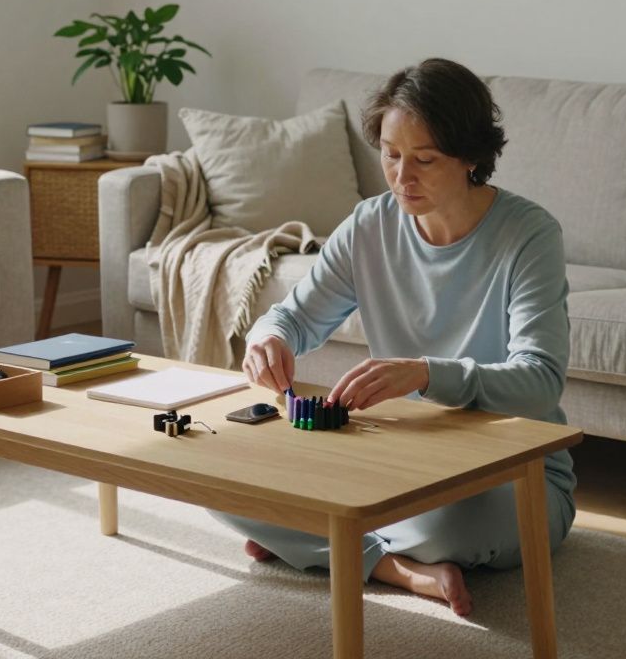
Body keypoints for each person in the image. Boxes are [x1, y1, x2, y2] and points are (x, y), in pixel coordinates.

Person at [210, 58, 576, 617]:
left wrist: (427, 374)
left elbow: (541, 382)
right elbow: (294, 318)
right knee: (215, 469)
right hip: (390, 462)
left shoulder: (529, 235)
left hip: (509, 476)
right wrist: (267, 338)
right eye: (390, 154)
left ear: (472, 156)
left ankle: (319, 540)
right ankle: (394, 567)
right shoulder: (369, 224)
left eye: (425, 160)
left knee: (451, 519)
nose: (403, 177)